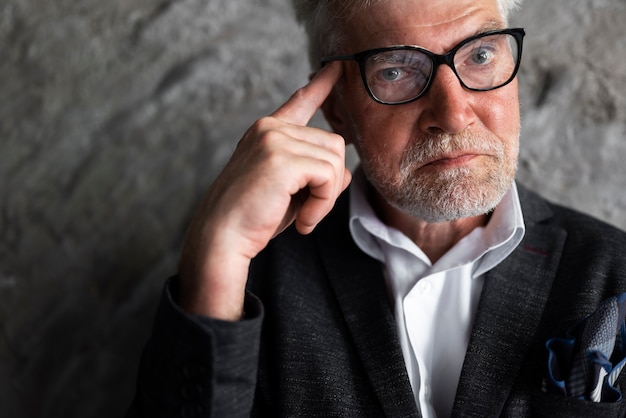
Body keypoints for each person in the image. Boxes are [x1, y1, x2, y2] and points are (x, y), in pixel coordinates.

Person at [127, 0, 626, 416]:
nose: (452, 115)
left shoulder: (614, 270)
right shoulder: (245, 286)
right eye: (396, 70)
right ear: (337, 105)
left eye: (479, 56)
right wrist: (219, 252)